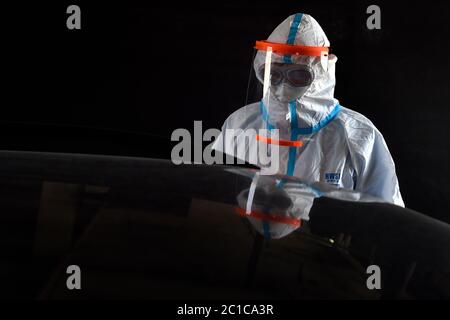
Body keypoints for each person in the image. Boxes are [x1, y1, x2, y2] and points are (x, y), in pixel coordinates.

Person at [213, 13, 404, 207]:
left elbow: (388, 219)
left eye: (297, 75)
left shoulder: (359, 135)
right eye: (273, 74)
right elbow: (218, 198)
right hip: (245, 234)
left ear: (322, 73)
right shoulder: (240, 123)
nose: (283, 87)